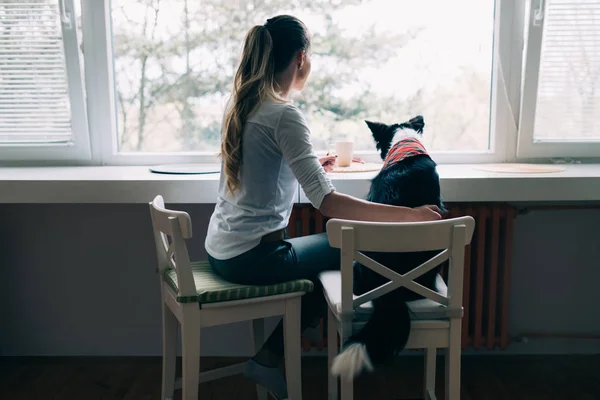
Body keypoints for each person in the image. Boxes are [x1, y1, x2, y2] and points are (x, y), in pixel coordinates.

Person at [204, 15, 442, 399]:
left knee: (326, 260)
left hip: (220, 249)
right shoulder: (284, 113)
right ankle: (271, 357)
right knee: (345, 248)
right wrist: (410, 214)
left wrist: (313, 164)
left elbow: (264, 164)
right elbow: (328, 203)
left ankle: (273, 354)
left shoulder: (245, 103)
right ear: (300, 58)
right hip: (253, 257)